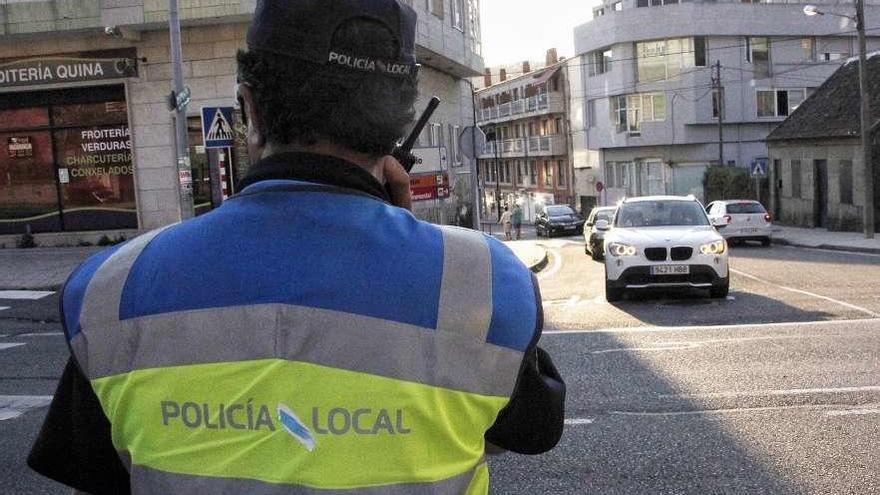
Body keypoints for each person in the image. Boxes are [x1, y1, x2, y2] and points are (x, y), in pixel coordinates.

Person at [27, 1, 565, 493]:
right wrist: (417, 251)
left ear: (249, 108)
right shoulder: (484, 283)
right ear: (400, 122)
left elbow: (96, 471)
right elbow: (526, 430)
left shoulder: (109, 289)